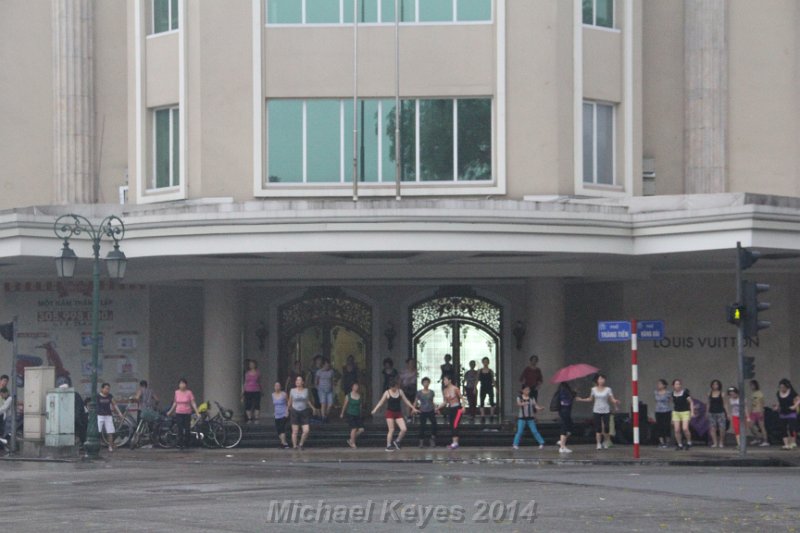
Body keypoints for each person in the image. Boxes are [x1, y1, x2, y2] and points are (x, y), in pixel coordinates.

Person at [371, 379, 418, 451]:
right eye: (392, 387)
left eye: (394, 387)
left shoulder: (400, 391)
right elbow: (381, 402)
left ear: (396, 386)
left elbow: (406, 401)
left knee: (404, 429)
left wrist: (413, 408)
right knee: (391, 429)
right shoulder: (387, 392)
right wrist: (375, 409)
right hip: (390, 413)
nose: (393, 389)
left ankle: (397, 441)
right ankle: (388, 445)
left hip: (398, 413)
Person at [577, 373, 620, 450]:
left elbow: (611, 399)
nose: (601, 380)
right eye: (600, 379)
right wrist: (581, 399)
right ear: (597, 380)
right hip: (596, 410)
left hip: (606, 410)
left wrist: (615, 402)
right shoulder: (593, 389)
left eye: (603, 379)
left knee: (607, 427)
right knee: (598, 428)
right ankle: (598, 443)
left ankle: (606, 442)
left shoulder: (608, 389)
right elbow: (590, 399)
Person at [166, 379, 200, 450]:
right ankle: (180, 444)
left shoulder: (189, 393)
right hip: (179, 412)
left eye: (183, 383)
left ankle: (187, 443)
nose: (182, 385)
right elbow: (175, 403)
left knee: (187, 429)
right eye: (180, 383)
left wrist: (197, 412)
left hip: (187, 412)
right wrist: (170, 411)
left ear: (186, 385)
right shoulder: (177, 392)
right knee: (180, 428)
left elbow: (193, 403)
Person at [288, 375, 318, 450]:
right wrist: (287, 410)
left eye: (300, 380)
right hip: (295, 411)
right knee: (295, 431)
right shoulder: (292, 390)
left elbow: (307, 400)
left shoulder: (306, 390)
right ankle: (294, 446)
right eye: (297, 380)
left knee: (306, 430)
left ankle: (301, 444)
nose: (298, 381)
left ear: (303, 382)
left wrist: (313, 408)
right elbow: (290, 401)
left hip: (304, 411)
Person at [512, 385, 545, 450]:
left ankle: (541, 443)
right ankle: (515, 444)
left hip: (530, 418)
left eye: (529, 390)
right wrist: (523, 404)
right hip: (522, 418)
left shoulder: (532, 398)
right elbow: (518, 404)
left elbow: (535, 406)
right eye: (526, 390)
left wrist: (540, 408)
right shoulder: (519, 397)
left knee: (534, 431)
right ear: (523, 390)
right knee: (519, 431)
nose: (528, 391)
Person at [436, 375, 464, 450]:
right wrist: (438, 408)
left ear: (449, 380)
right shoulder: (445, 390)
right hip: (451, 408)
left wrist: (464, 407)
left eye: (445, 380)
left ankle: (455, 443)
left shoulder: (455, 388)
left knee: (455, 424)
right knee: (452, 424)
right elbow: (445, 402)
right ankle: (454, 442)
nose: (444, 382)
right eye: (443, 380)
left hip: (458, 408)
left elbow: (462, 398)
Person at [97, 382, 124, 453]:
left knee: (110, 432)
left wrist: (119, 413)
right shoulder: (97, 396)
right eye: (106, 389)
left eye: (108, 389)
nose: (107, 390)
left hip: (108, 415)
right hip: (99, 415)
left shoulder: (110, 396)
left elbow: (114, 405)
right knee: (98, 431)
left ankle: (110, 446)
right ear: (102, 389)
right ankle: (97, 446)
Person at [775, 379, 800, 450]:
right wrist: (777, 407)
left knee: (791, 427)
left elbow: (799, 399)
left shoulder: (792, 393)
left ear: (787, 387)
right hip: (783, 412)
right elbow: (780, 402)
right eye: (780, 387)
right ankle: (786, 444)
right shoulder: (778, 393)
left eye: (783, 387)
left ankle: (792, 442)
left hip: (791, 412)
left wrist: (794, 406)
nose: (782, 389)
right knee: (783, 428)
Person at [670, 379, 694, 450]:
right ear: (673, 386)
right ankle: (679, 444)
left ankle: (689, 442)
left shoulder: (685, 393)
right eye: (676, 384)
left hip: (685, 412)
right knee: (677, 429)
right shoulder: (672, 394)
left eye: (679, 384)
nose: (678, 386)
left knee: (685, 428)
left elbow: (691, 402)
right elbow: (672, 402)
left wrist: (692, 412)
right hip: (676, 412)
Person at [340, 382, 365, 449]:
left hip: (357, 414)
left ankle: (351, 439)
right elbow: (345, 405)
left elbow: (360, 406)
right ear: (352, 387)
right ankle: (353, 443)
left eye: (357, 386)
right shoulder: (348, 396)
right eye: (355, 386)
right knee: (354, 428)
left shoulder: (359, 396)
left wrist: (361, 413)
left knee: (361, 429)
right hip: (350, 413)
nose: (356, 388)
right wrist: (342, 413)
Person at [416, 377, 438, 447]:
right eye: (424, 382)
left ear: (429, 383)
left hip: (431, 410)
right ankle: (421, 441)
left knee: (434, 424)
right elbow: (416, 401)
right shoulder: (419, 392)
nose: (426, 383)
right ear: (422, 383)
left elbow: (432, 401)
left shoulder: (431, 392)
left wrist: (436, 408)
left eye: (427, 382)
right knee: (422, 426)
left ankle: (432, 439)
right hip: (423, 410)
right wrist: (414, 409)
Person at [747, 380, 769, 446]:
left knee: (761, 426)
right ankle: (758, 437)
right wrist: (750, 412)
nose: (751, 387)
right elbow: (752, 404)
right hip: (753, 412)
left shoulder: (759, 393)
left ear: (755, 385)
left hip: (759, 411)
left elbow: (762, 403)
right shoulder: (753, 393)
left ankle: (765, 440)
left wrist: (762, 411)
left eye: (752, 385)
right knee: (750, 426)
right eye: (750, 385)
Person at [707, 380, 727, 448]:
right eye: (714, 384)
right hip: (711, 412)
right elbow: (708, 403)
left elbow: (725, 404)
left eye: (716, 384)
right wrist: (706, 412)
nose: (715, 386)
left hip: (720, 412)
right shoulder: (709, 393)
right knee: (712, 428)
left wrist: (727, 413)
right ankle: (715, 442)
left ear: (719, 385)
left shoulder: (722, 393)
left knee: (722, 428)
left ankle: (721, 442)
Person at [557, 382, 575, 454]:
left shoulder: (565, 388)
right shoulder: (563, 389)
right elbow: (566, 400)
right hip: (565, 410)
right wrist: (572, 395)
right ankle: (562, 447)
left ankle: (562, 442)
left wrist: (573, 392)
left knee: (569, 427)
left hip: (565, 411)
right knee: (565, 427)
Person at [653, 379, 672, 448]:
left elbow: (670, 400)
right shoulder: (655, 392)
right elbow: (656, 400)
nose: (658, 385)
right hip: (658, 411)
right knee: (659, 426)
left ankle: (667, 442)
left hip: (666, 411)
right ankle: (661, 442)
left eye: (660, 384)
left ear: (664, 385)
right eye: (658, 384)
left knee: (666, 426)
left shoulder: (668, 393)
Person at [242, 359, 262, 424]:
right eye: (250, 364)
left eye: (252, 364)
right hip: (248, 390)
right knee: (248, 404)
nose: (251, 365)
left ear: (255, 365)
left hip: (256, 390)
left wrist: (261, 389)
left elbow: (259, 382)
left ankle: (256, 418)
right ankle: (249, 418)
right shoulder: (247, 373)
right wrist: (242, 391)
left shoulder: (258, 373)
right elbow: (245, 382)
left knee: (257, 404)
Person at [271, 382, 290, 449]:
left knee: (282, 428)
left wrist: (287, 411)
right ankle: (283, 443)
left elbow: (288, 402)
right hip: (277, 414)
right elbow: (274, 405)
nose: (277, 387)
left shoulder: (284, 394)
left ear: (280, 387)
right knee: (278, 429)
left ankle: (284, 443)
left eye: (278, 386)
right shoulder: (273, 395)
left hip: (283, 413)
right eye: (276, 386)